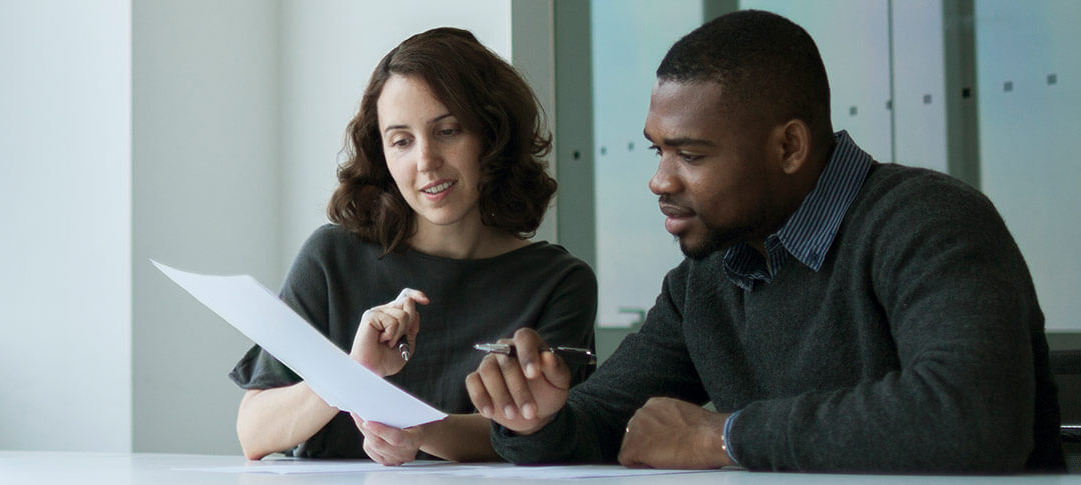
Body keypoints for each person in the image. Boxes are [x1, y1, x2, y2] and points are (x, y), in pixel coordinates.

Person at [466, 10, 1064, 473]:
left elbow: (973, 416)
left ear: (789, 148)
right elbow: (601, 422)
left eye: (691, 154)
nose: (660, 181)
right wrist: (535, 419)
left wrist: (724, 436)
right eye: (658, 150)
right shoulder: (709, 275)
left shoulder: (929, 221)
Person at [229, 27, 597, 465]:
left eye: (448, 131)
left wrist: (418, 430)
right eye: (401, 141)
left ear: (493, 134)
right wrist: (354, 373)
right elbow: (254, 431)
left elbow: (541, 429)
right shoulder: (331, 259)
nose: (426, 161)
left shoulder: (559, 282)